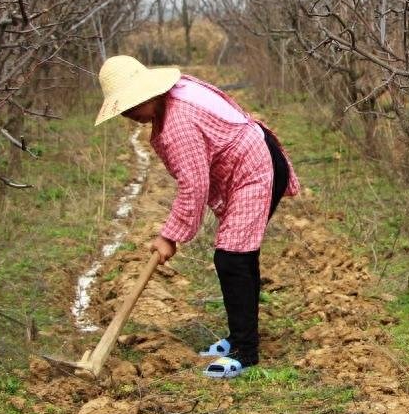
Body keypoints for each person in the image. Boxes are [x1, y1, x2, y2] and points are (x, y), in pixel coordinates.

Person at [94, 55, 299, 377]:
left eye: (132, 106)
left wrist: (169, 236)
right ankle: (240, 337)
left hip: (256, 169)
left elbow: (194, 185)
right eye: (124, 110)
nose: (129, 115)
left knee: (233, 258)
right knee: (238, 258)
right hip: (253, 160)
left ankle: (245, 351)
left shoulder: (179, 122)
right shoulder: (174, 94)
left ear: (148, 94)